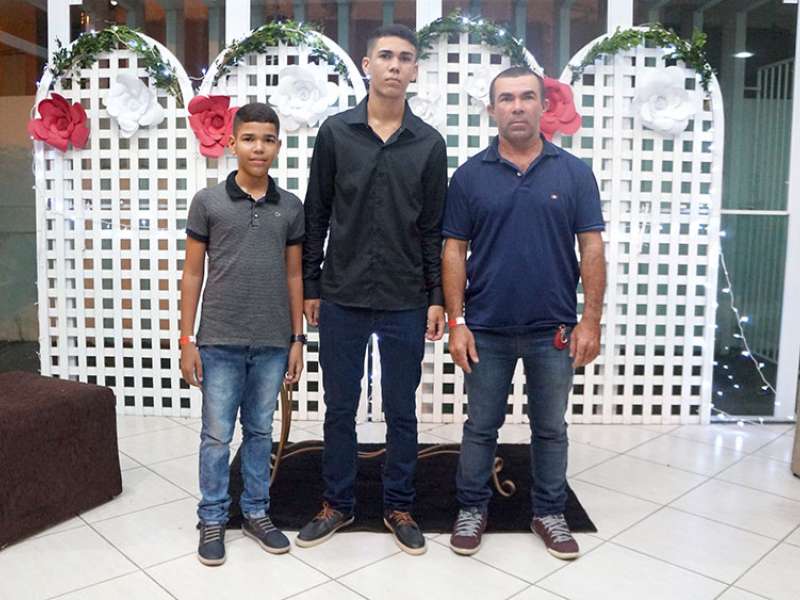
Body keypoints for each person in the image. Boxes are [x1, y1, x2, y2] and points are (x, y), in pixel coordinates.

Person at [442, 66, 606, 559]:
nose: (517, 106)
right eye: (507, 98)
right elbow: (454, 251)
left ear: (543, 106)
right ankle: (472, 507)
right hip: (485, 329)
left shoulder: (573, 173)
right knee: (480, 427)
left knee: (551, 428)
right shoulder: (470, 175)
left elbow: (591, 248)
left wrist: (590, 320)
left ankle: (549, 512)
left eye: (527, 97)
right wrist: (457, 322)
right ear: (492, 109)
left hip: (553, 330)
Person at [297, 24, 447, 556]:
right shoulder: (336, 133)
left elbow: (433, 228)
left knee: (402, 408)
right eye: (385, 56)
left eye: (405, 58)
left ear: (414, 70)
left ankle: (399, 505)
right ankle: (337, 503)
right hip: (342, 292)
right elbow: (317, 212)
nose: (394, 65)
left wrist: (436, 296)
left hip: (406, 296)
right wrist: (311, 283)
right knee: (340, 407)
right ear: (367, 65)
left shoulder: (429, 143)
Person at [179, 103, 306, 566]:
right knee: (216, 435)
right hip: (219, 340)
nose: (259, 147)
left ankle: (255, 512)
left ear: (278, 146)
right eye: (249, 138)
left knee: (258, 432)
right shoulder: (208, 202)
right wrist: (187, 340)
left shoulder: (290, 207)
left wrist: (297, 339)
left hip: (272, 342)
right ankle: (213, 517)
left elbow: (294, 276)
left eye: (268, 139)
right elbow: (193, 273)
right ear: (232, 143)